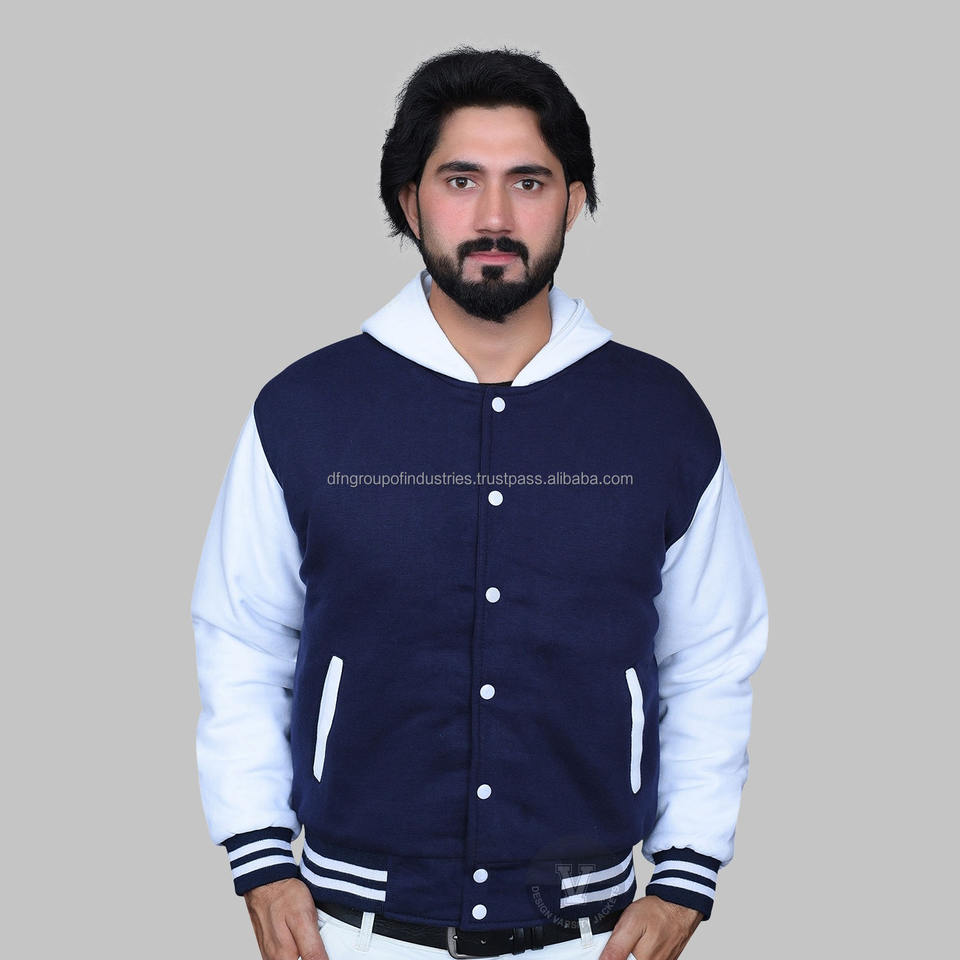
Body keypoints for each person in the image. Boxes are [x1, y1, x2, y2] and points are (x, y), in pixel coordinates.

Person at [191, 45, 769, 960]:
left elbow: (711, 656)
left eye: (528, 182)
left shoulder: (660, 417)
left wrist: (686, 871)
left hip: (592, 933)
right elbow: (243, 639)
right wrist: (258, 857)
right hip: (352, 930)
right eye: (461, 180)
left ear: (574, 201)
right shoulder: (304, 410)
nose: (494, 217)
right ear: (408, 201)